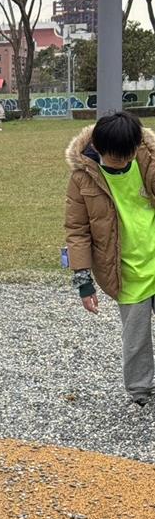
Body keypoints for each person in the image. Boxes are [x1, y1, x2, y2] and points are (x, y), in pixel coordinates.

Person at [65, 111, 155, 407]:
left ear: (136, 146)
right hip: (125, 273)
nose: (120, 163)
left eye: (126, 156)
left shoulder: (148, 160)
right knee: (136, 338)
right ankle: (140, 391)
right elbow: (77, 231)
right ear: (98, 147)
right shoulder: (83, 178)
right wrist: (83, 281)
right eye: (114, 158)